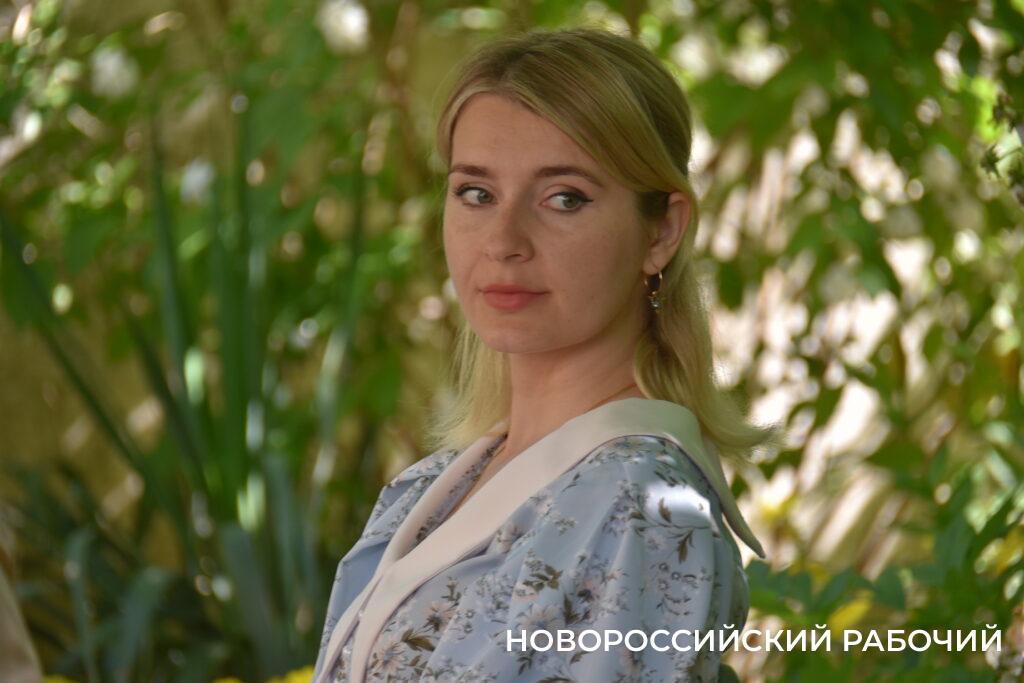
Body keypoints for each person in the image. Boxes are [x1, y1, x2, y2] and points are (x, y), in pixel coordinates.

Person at [313, 26, 778, 683]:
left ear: (661, 231)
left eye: (565, 198)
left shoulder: (642, 503)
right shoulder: (425, 488)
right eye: (476, 193)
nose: (504, 240)